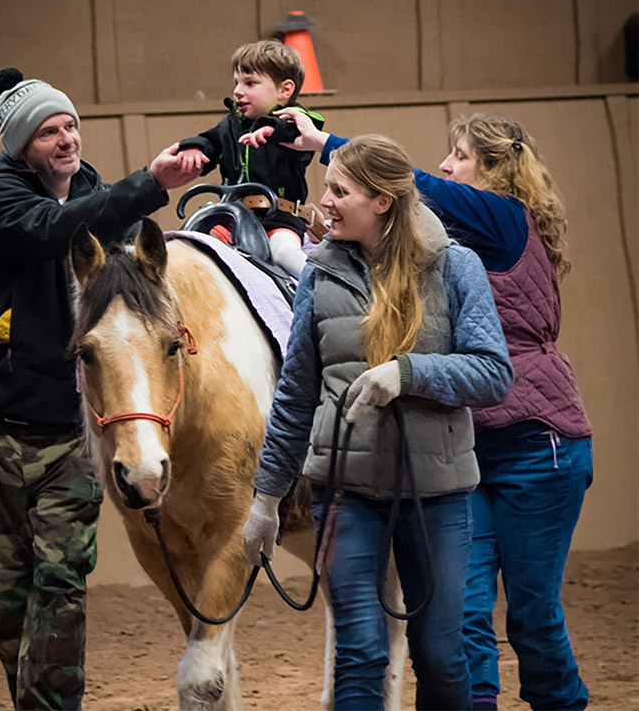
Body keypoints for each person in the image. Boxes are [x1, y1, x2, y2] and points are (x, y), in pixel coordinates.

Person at [276, 110, 594, 710]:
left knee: (531, 617)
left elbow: (415, 186)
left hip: (534, 441)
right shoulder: (443, 242)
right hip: (462, 452)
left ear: (497, 171)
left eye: (461, 155)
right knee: (462, 623)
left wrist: (326, 143)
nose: (446, 167)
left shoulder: (501, 218)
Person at [0, 67, 202, 710]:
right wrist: (148, 186)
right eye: (47, 131)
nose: (65, 139)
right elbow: (52, 230)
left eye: (70, 126)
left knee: (61, 584)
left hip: (70, 435)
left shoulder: (103, 203)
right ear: (20, 147)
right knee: (7, 599)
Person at [242, 135, 513, 710]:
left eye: (340, 190)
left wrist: (409, 373)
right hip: (346, 494)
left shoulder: (456, 266)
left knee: (440, 655)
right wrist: (266, 498)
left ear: (382, 202)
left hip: (438, 496)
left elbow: (493, 374)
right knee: (360, 652)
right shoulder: (317, 276)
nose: (326, 200)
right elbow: (295, 395)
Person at [176, 39, 325, 277]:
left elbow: (299, 127)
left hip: (279, 219)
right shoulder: (229, 127)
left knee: (284, 253)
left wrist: (272, 130)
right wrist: (194, 149)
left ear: (284, 90)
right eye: (236, 83)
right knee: (196, 249)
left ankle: (324, 291)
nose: (237, 91)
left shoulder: (297, 121)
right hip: (233, 218)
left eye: (250, 83)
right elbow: (210, 141)